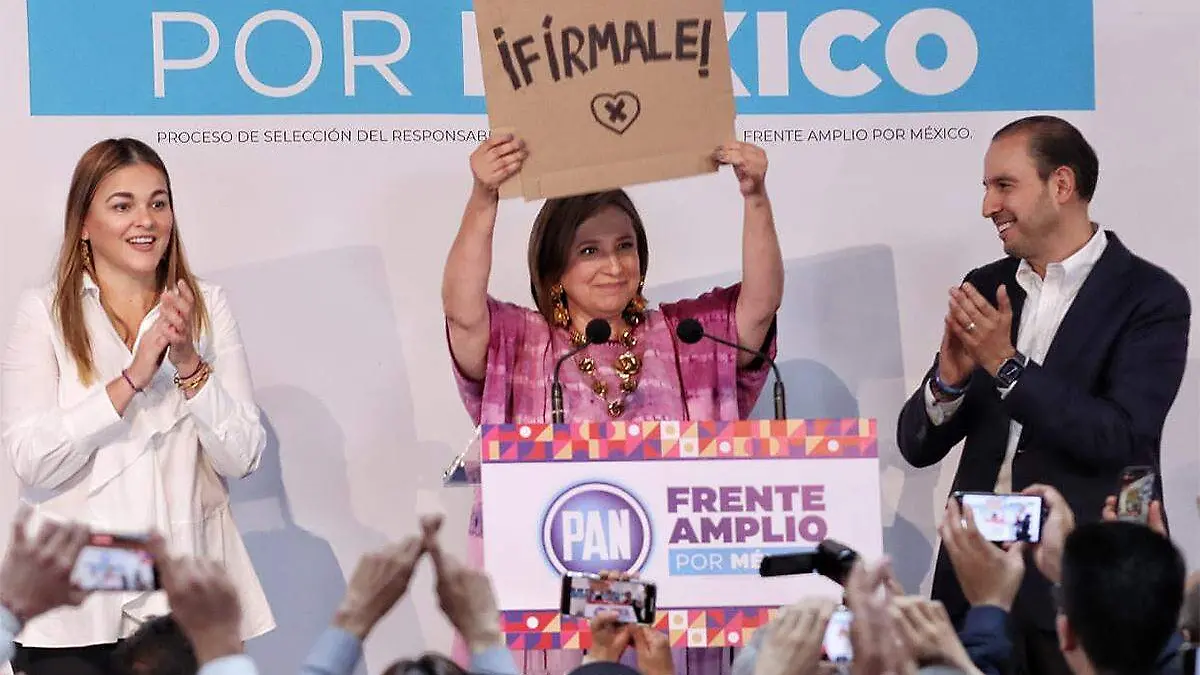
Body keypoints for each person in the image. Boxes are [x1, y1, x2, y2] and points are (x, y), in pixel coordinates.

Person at [442, 135, 783, 675]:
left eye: (625, 246)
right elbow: (462, 315)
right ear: (554, 270)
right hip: (551, 616)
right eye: (589, 251)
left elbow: (758, 309)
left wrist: (756, 196)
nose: (614, 265)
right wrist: (484, 196)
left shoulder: (686, 337)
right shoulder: (522, 344)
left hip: (669, 615)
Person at [896, 116, 1190, 675]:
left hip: (1082, 594)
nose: (988, 206)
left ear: (1061, 184)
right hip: (977, 584)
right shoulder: (987, 285)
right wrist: (948, 382)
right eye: (986, 187)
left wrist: (1006, 365)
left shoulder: (1150, 297)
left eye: (1004, 186)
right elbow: (917, 445)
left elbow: (1121, 436)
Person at [0, 138, 274, 675]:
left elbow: (242, 457)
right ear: (84, 222)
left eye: (158, 202)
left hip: (181, 605)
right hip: (73, 610)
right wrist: (130, 380)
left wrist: (189, 364)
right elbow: (32, 461)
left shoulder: (206, 307)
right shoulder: (44, 314)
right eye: (122, 205)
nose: (145, 220)